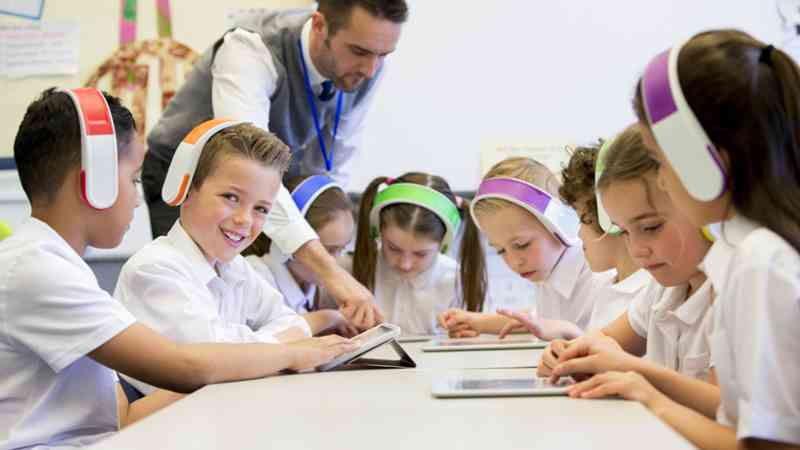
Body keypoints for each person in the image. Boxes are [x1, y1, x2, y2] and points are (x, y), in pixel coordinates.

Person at [0, 88, 354, 449]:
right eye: (133, 179)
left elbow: (121, 416)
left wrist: (264, 362)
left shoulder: (55, 264)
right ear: (94, 182)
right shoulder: (36, 268)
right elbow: (187, 366)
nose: (138, 198)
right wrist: (296, 351)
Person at [143, 0, 410, 329]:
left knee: (254, 298)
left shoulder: (367, 65)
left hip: (266, 187)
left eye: (383, 55)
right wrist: (330, 272)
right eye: (359, 51)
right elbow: (247, 164)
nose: (371, 69)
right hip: (191, 179)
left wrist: (327, 236)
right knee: (205, 294)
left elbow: (338, 155)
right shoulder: (250, 48)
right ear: (320, 26)